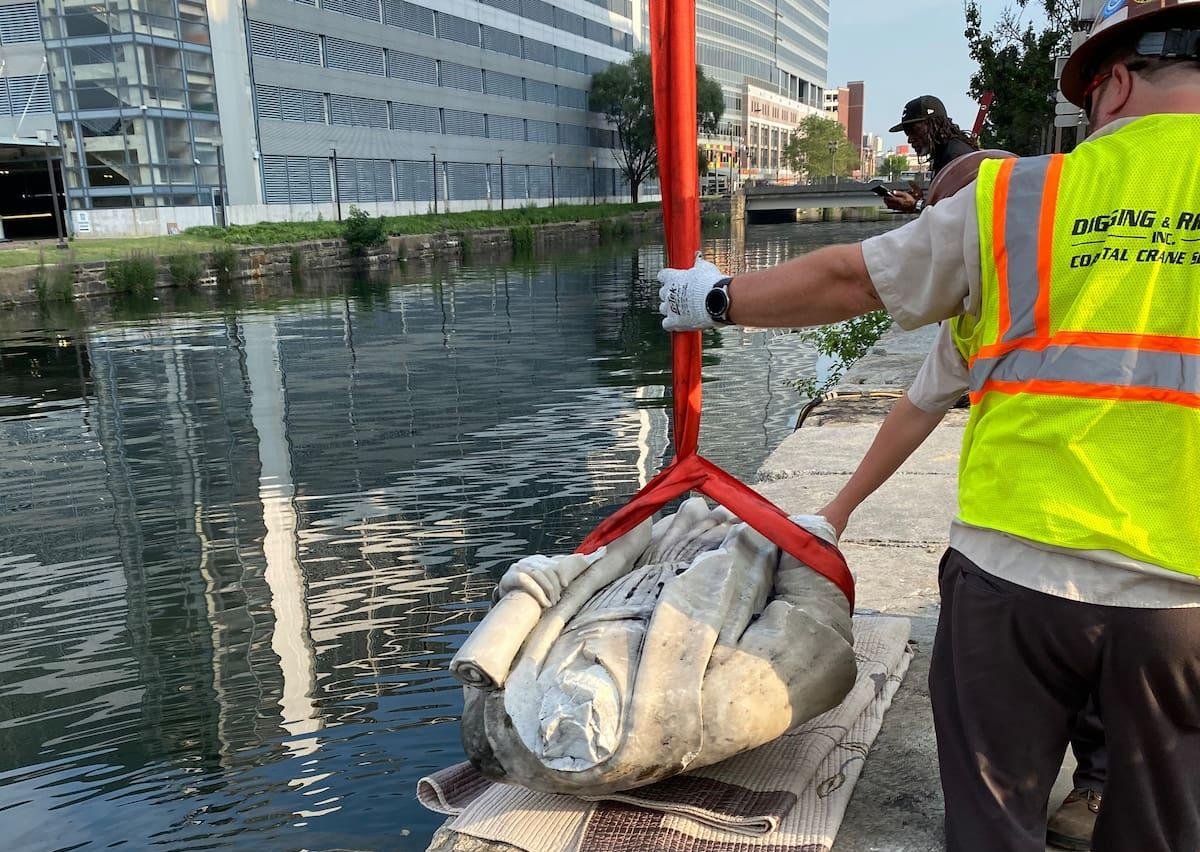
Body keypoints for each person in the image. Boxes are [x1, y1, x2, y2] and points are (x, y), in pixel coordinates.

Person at [656, 3, 1200, 850]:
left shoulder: (1025, 200)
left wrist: (712, 298)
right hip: (1183, 600)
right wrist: (833, 513)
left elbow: (852, 281)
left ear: (1118, 82)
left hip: (1015, 576)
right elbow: (922, 396)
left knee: (991, 826)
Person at [883, 95, 979, 214]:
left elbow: (954, 212)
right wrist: (924, 201)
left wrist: (916, 205)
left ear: (935, 125)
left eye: (914, 131)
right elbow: (946, 204)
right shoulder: (947, 151)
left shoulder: (955, 156)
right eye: (907, 134)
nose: (910, 139)